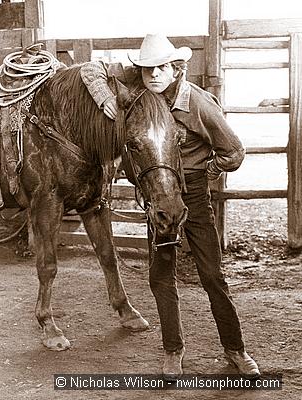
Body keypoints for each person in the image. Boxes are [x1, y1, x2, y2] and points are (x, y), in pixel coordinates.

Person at [80, 34, 260, 380]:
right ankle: (172, 350)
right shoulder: (145, 98)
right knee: (161, 275)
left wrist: (204, 173)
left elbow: (234, 152)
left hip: (191, 194)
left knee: (211, 275)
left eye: (162, 67)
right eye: (147, 69)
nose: (155, 75)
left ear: (176, 68)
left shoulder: (197, 104)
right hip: (159, 196)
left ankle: (236, 350)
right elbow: (93, 71)